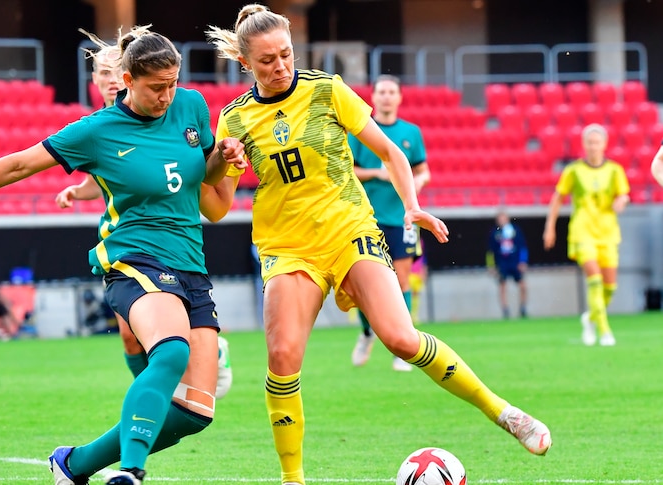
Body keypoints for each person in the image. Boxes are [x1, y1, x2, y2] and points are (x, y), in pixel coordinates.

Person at [207, 5, 551, 484]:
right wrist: (219, 164)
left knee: (400, 338)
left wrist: (411, 206)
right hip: (286, 247)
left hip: (351, 230)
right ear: (245, 62)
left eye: (285, 54)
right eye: (267, 61)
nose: (280, 65)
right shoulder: (235, 119)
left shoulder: (325, 90)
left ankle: (504, 413)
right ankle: (293, 479)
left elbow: (390, 150)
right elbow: (217, 207)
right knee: (283, 357)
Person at [0, 25, 246, 485]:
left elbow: (210, 191)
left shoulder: (191, 106)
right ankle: (131, 473)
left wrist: (225, 156)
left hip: (190, 264)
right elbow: (19, 163)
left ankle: (74, 464)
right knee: (169, 354)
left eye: (173, 83)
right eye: (156, 87)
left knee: (196, 412)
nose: (167, 96)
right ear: (127, 81)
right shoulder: (98, 130)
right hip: (136, 258)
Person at [55, 40, 233, 399]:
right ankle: (154, 398)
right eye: (102, 73)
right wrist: (77, 193)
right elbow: (105, 176)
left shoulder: (171, 113)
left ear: (128, 76)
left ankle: (191, 368)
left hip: (164, 237)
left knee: (166, 337)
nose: (109, 81)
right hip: (120, 239)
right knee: (131, 337)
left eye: (112, 72)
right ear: (95, 78)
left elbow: (199, 185)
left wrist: (226, 165)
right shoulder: (97, 128)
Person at [347, 74, 431, 371]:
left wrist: (418, 181)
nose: (385, 96)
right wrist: (378, 173)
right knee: (361, 283)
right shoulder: (360, 130)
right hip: (364, 218)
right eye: (381, 91)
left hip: (401, 217)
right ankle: (368, 332)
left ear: (399, 97)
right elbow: (347, 170)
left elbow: (423, 170)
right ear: (373, 96)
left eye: (391, 92)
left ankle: (404, 346)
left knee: (402, 278)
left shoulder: (411, 132)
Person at [544, 123, 630, 346]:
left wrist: (622, 201)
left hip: (608, 232)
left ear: (604, 144)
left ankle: (590, 318)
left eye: (597, 142)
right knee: (594, 278)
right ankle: (605, 330)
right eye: (590, 142)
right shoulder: (573, 170)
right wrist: (549, 227)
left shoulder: (614, 170)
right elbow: (558, 198)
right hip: (582, 232)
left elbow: (624, 195)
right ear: (584, 144)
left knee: (610, 287)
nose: (593, 146)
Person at [486, 211, 529, 319]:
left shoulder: (515, 230)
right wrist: (491, 266)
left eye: (503, 217)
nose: (501, 220)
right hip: (502, 263)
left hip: (515, 262)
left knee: (523, 286)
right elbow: (490, 251)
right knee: (502, 286)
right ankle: (505, 310)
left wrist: (523, 261)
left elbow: (523, 247)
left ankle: (523, 308)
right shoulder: (495, 233)